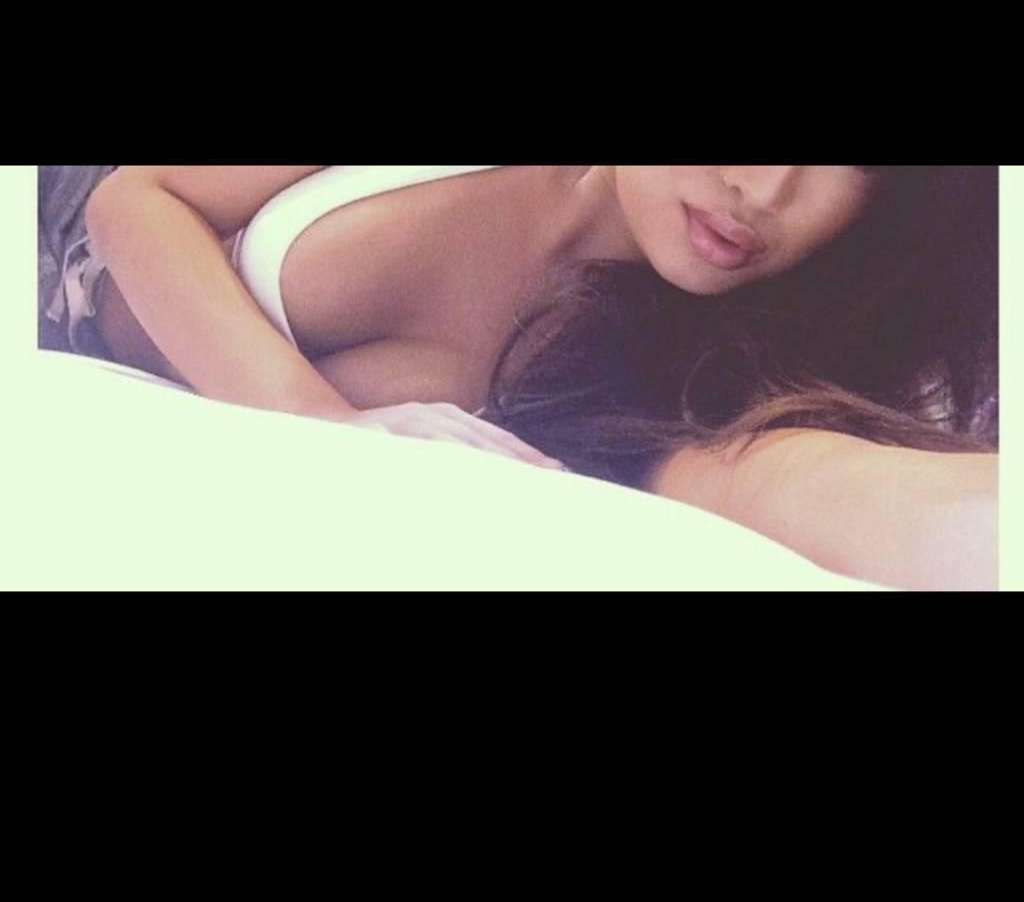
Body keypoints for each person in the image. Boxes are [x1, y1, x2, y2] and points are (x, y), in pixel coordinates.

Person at [39, 165, 999, 589]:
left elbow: (813, 483)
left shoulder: (678, 375)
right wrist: (318, 422)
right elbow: (139, 197)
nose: (768, 186)